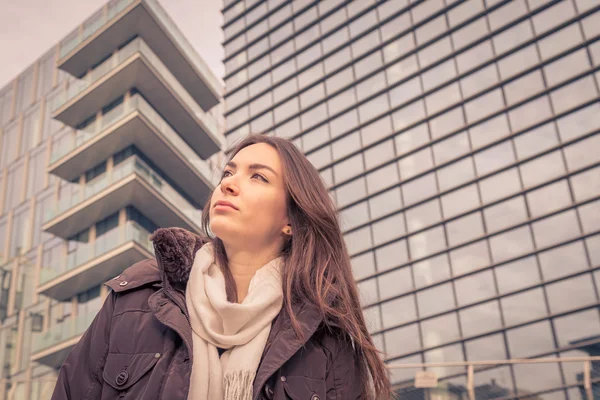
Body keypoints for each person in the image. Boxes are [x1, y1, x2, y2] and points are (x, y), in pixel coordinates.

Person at [51, 134, 393, 400]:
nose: (228, 183)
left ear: (290, 219)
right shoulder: (135, 302)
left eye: (258, 177)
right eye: (228, 173)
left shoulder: (325, 339)